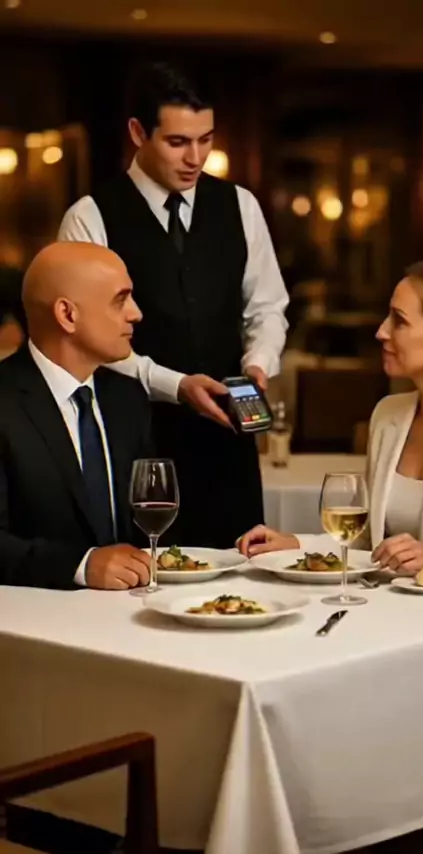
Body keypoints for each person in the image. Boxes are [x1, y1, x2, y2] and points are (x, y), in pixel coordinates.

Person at [58, 61, 289, 548]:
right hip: (133, 445)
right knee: (143, 578)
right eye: (178, 142)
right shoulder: (90, 217)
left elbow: (267, 307)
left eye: (206, 140)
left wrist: (259, 362)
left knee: (244, 574)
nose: (196, 158)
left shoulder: (240, 205)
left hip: (228, 447)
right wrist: (175, 385)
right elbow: (83, 344)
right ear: (138, 133)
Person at [238, 258, 423, 576]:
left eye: (399, 321)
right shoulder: (389, 416)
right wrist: (295, 544)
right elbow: (368, 543)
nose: (381, 332)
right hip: (391, 604)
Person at [0, 241, 153, 590]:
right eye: (120, 300)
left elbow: (148, 520)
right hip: (33, 617)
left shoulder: (127, 397)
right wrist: (81, 565)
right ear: (67, 315)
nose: (136, 313)